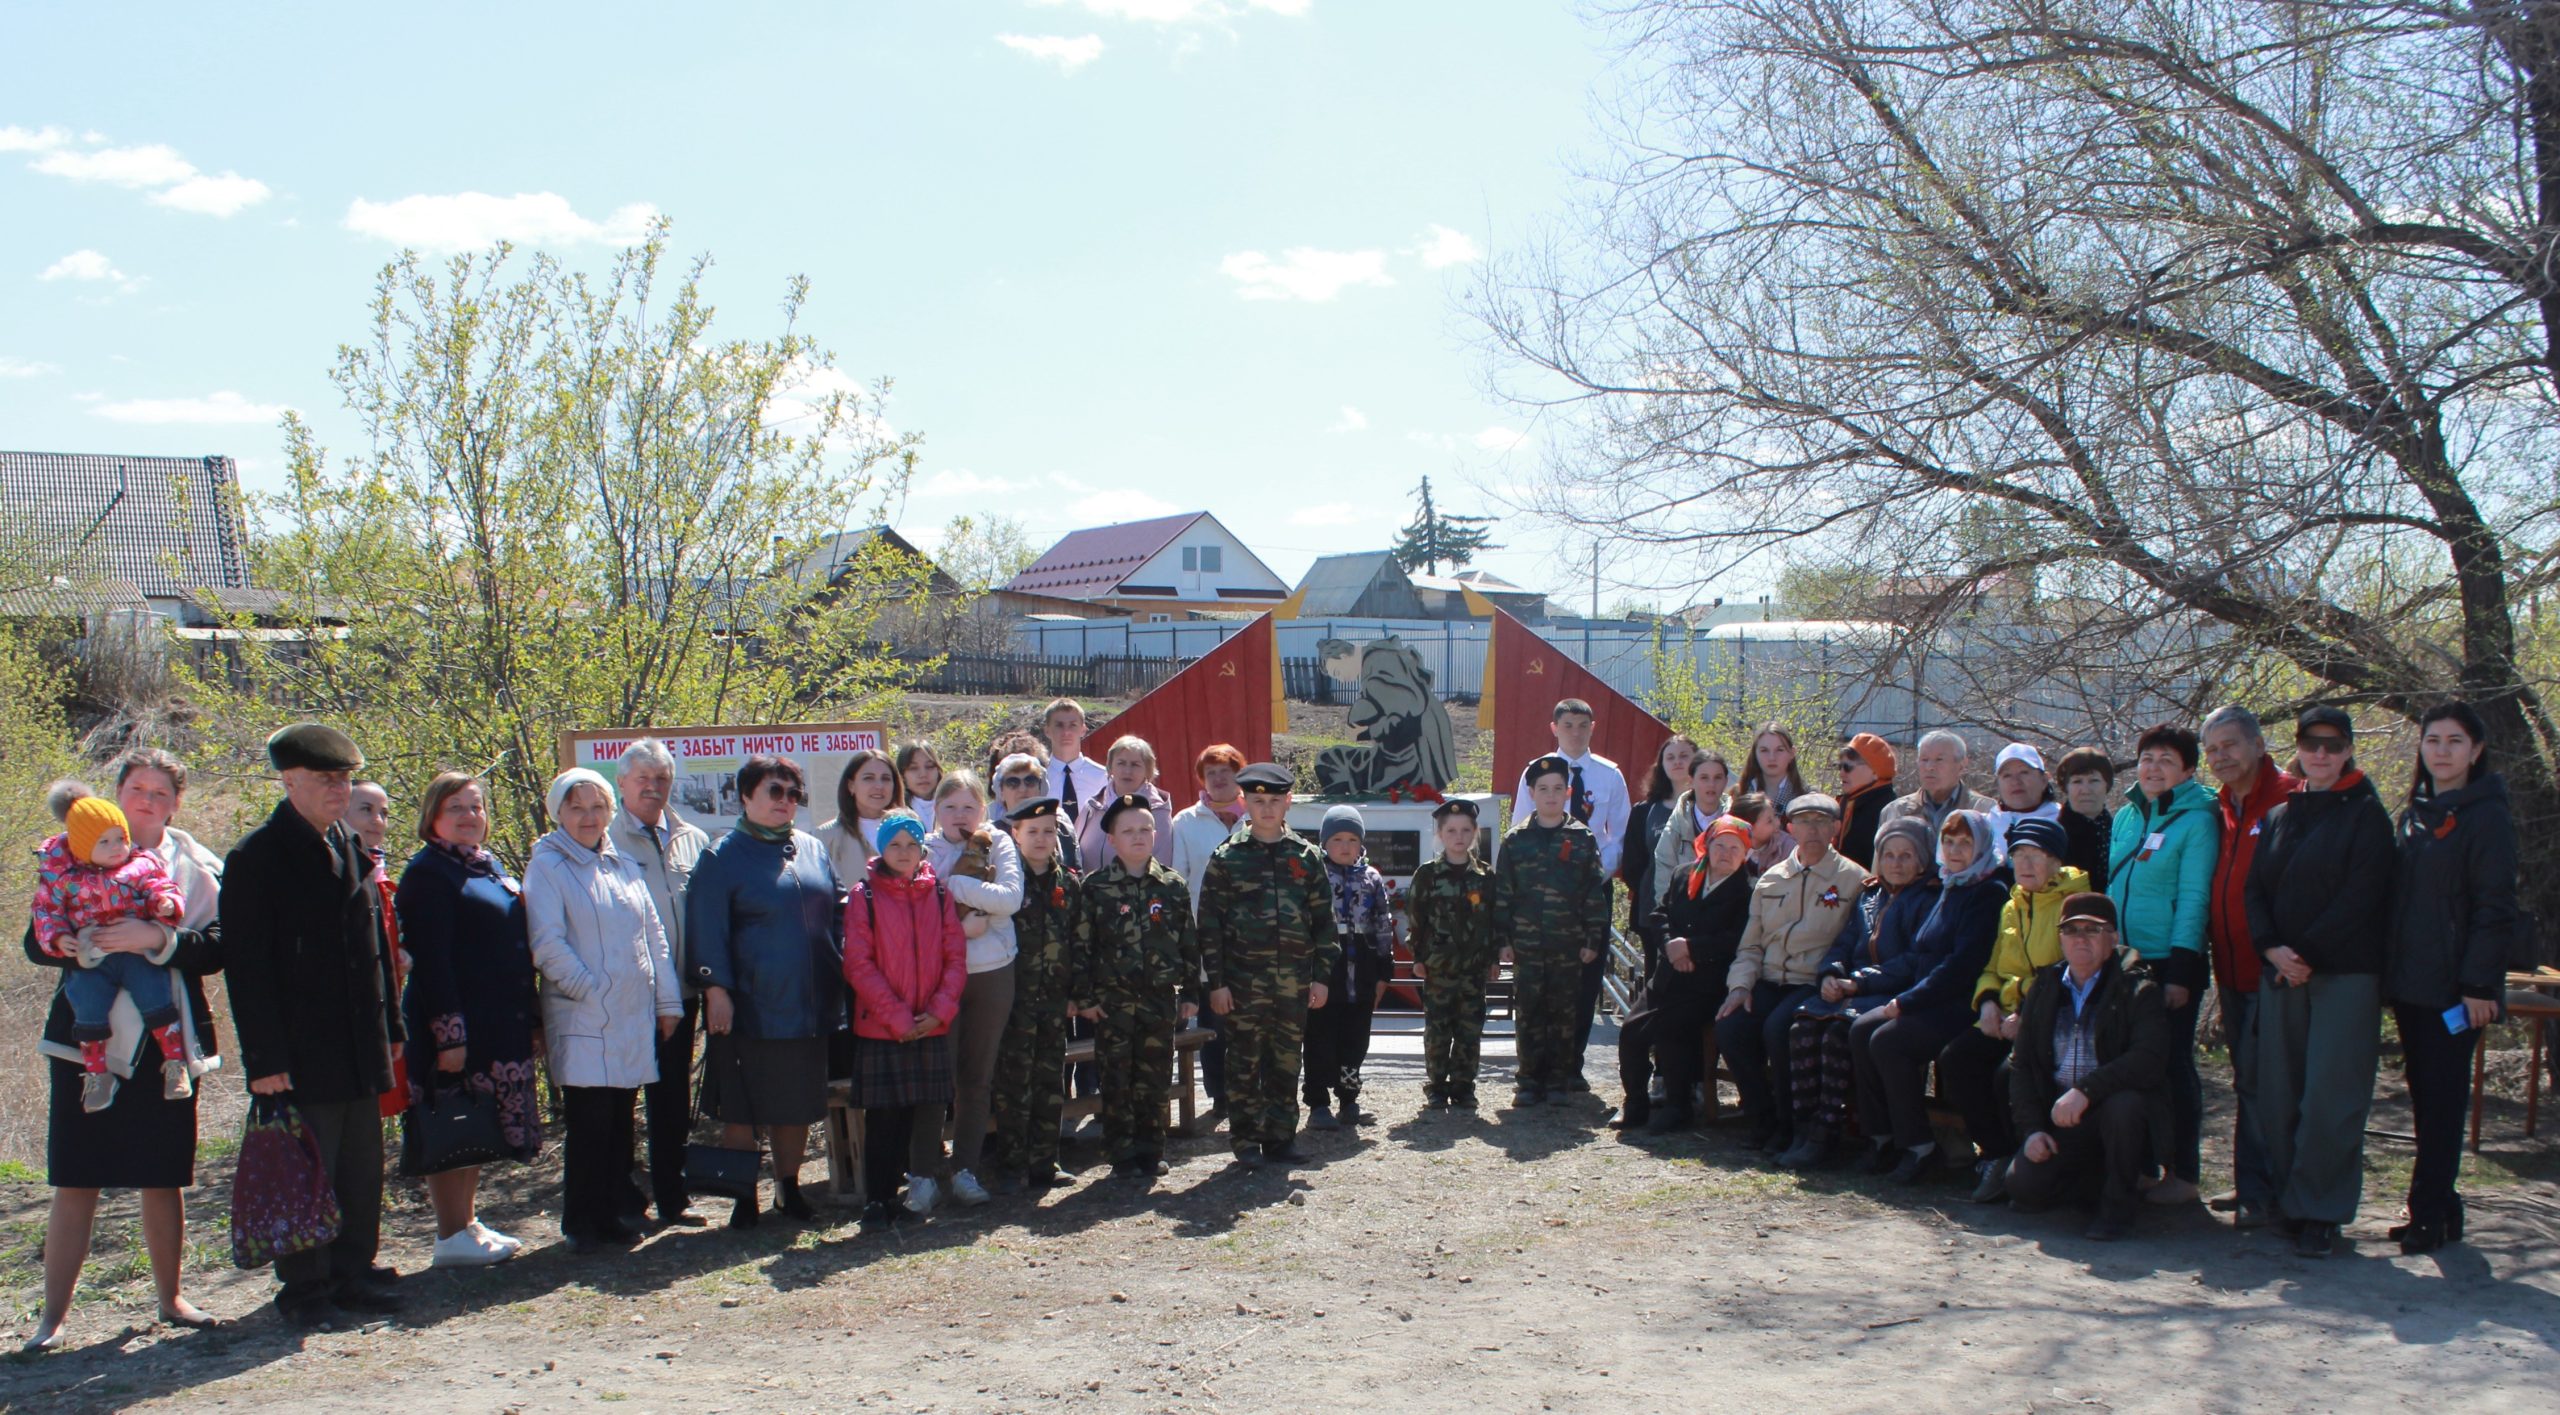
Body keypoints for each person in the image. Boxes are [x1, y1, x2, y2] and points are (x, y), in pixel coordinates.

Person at [22, 751, 226, 1351]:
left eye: (160, 793)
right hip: (84, 1040)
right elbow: (36, 944)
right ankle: (51, 1319)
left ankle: (171, 1298)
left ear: (176, 803)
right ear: (114, 793)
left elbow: (216, 947)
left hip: (166, 1043)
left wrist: (158, 938)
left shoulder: (193, 866)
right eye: (136, 788)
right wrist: (74, 943)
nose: (147, 801)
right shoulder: (63, 855)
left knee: (162, 1175)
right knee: (76, 1177)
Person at [221, 724, 405, 1329]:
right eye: (328, 779)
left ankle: (352, 1272)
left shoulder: (347, 846)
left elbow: (374, 951)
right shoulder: (258, 858)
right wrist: (264, 1061)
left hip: (357, 1042)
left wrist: (393, 1027)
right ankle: (305, 1290)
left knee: (358, 1165)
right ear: (290, 779)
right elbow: (247, 969)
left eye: (345, 779)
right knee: (308, 1167)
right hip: (301, 1049)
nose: (339, 789)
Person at [2244, 706, 2393, 1258]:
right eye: (2312, 745)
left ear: (2350, 749)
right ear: (2299, 749)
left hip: (2344, 976)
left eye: (2333, 745)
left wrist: (2302, 953)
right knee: (2281, 1092)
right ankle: (2291, 1199)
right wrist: (2272, 949)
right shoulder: (2282, 815)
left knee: (2332, 1097)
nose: (2322, 754)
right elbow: (2256, 891)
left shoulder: (2368, 817)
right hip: (2283, 974)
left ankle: (2322, 1212)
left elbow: (2362, 898)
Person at [524, 767, 680, 1253]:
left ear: (611, 812)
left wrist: (666, 1000)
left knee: (618, 1119)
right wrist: (591, 990)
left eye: (598, 807)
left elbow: (653, 936)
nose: (589, 817)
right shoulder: (548, 865)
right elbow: (547, 944)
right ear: (558, 812)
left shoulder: (622, 865)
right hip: (585, 1015)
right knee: (589, 1123)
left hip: (630, 1017)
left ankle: (615, 1211)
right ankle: (583, 1221)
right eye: (577, 807)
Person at [689, 754, 846, 1227]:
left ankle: (788, 1190)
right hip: (749, 1006)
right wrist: (715, 987)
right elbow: (705, 928)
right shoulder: (722, 856)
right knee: (745, 1105)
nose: (785, 801)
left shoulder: (812, 848)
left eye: (793, 793)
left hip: (808, 1000)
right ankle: (743, 1198)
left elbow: (838, 914)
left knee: (795, 1104)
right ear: (745, 796)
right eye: (774, 791)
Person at [2385, 701, 2518, 1255]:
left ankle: (2428, 1215)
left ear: (2476, 751)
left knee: (2442, 1103)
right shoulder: (2413, 813)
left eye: (2455, 741)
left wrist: (2480, 986)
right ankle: (2444, 1206)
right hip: (2412, 985)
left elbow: (2494, 908)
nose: (2442, 751)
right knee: (2423, 1098)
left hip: (2457, 991)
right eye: (2433, 740)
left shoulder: (2487, 815)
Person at [397, 771, 542, 1267]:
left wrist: (533, 1019)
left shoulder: (487, 866)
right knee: (452, 1119)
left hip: (500, 1020)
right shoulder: (427, 874)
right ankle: (448, 1234)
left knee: (476, 1123)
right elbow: (432, 961)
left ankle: (468, 1222)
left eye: (476, 807)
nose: (468, 816)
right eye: (455, 807)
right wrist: (448, 1034)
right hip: (457, 1026)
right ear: (433, 815)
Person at [1839, 811, 2009, 1182]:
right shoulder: (1950, 884)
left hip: (1958, 1003)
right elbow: (1921, 953)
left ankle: (1918, 1145)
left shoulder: (1987, 891)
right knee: (1859, 1030)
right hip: (1925, 994)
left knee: (1888, 1041)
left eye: (1965, 843)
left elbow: (1961, 965)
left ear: (1982, 846)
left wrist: (1908, 1001)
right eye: (1949, 842)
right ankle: (1881, 1137)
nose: (1956, 850)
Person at [2004, 893, 2172, 1243]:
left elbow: (2149, 1060)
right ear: (2060, 937)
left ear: (2112, 938)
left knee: (2125, 1106)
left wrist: (2086, 1091)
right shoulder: (2045, 986)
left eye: (2093, 931)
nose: (2080, 938)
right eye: (2071, 930)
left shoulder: (2138, 988)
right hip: (2062, 1117)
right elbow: (2022, 1065)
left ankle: (2117, 1211)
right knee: (2023, 1188)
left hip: (2112, 1114)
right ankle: (2091, 1183)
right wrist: (2032, 1130)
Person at [1937, 816, 2087, 1200]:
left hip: (2057, 1017)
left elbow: (2067, 973)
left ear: (2055, 861)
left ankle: (2028, 1160)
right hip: (2006, 1014)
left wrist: (2027, 1014)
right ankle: (1996, 1153)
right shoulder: (2012, 903)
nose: (2025, 864)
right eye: (2019, 854)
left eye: (2035, 855)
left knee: (2009, 1072)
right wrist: (1987, 1002)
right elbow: (1993, 966)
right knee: (1956, 1058)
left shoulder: (2074, 903)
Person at [1198, 763, 1339, 1165]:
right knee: (1243, 1062)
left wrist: (1322, 978)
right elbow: (1209, 924)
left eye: (1275, 800)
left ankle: (1280, 1138)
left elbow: (1324, 923)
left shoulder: (1306, 857)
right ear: (1244, 802)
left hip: (1293, 984)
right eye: (1258, 801)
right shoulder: (1228, 858)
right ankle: (1245, 1141)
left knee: (1285, 1062)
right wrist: (1217, 982)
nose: (1267, 808)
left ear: (1288, 802)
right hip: (1242, 985)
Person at [2102, 723, 2219, 1207]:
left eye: (2166, 760)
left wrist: (2181, 973)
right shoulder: (2128, 816)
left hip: (2170, 959)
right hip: (2124, 960)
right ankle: (2145, 1165)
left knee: (2172, 1066)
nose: (2152, 768)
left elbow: (2194, 899)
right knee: (2133, 1064)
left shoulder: (2198, 820)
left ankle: (2185, 1172)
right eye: (2147, 758)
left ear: (2189, 769)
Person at [1775, 817, 1937, 1166]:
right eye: (1889, 855)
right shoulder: (1870, 894)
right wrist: (1830, 975)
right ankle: (1804, 1128)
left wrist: (1859, 982)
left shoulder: (1928, 899)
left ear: (1922, 860)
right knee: (1801, 1029)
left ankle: (1828, 1132)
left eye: (1906, 856)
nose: (1896, 863)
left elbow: (1912, 961)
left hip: (1890, 991)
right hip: (1852, 988)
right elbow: (1844, 942)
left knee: (1837, 1035)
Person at [1715, 793, 1869, 1153]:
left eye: (1821, 822)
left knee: (1778, 1029)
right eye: (1805, 822)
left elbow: (1856, 942)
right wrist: (1740, 987)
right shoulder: (1773, 879)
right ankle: (1762, 1118)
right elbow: (1750, 945)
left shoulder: (1854, 879)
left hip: (1812, 983)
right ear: (1790, 827)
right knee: (1731, 1025)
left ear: (1836, 828)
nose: (1812, 830)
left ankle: (1792, 1126)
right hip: (1769, 979)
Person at [844, 809, 968, 1220]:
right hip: (884, 1028)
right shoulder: (863, 896)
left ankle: (912, 1193)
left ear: (922, 849)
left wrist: (939, 1011)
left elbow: (955, 958)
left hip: (929, 1023)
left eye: (912, 844)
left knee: (919, 1115)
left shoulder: (939, 894)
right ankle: (879, 1199)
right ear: (881, 848)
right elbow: (858, 964)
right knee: (884, 1120)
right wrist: (896, 1018)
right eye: (894, 844)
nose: (904, 851)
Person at [609, 737, 711, 1227]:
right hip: (628, 995)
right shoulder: (604, 837)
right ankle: (624, 1198)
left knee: (671, 1098)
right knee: (621, 1100)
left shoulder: (691, 837)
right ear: (622, 783)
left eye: (662, 779)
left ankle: (674, 1196)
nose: (652, 787)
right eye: (642, 779)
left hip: (682, 992)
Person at [1071, 794, 1201, 1178]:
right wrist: (1084, 997)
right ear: (1111, 839)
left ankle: (1151, 1148)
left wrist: (1192, 993)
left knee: (1155, 1076)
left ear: (1156, 833)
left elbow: (1187, 941)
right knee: (1117, 1076)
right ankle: (1121, 1152)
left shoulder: (1172, 885)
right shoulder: (1096, 889)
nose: (1139, 836)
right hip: (1113, 1002)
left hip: (1159, 999)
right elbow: (1082, 946)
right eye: (1128, 831)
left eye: (1145, 828)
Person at [2199, 706, 2295, 1229]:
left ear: (2259, 745)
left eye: (2230, 745)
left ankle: (2276, 1191)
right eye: (2212, 750)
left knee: (2270, 1081)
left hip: (2276, 969)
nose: (2221, 757)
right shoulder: (2222, 805)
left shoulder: (2291, 798)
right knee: (2246, 1079)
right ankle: (2251, 1185)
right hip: (2230, 967)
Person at [30, 792, 187, 1108]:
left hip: (134, 952)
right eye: (104, 842)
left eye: (120, 838)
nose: (117, 848)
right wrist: (59, 939)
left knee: (156, 998)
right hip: (92, 956)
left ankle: (175, 1063)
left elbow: (160, 887)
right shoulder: (64, 877)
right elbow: (47, 911)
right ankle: (97, 1075)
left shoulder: (141, 865)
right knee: (87, 1007)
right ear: (81, 847)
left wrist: (165, 905)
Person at [1507, 699, 1632, 1083]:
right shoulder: (1537, 772)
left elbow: (1621, 833)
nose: (1575, 731)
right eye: (1568, 725)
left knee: (1583, 980)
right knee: (1538, 984)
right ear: (1554, 728)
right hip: (1540, 895)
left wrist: (1594, 872)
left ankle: (1571, 1064)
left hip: (1591, 889)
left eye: (1582, 724)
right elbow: (1519, 827)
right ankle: (1536, 1066)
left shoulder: (1610, 775)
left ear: (1593, 727)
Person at [1622, 816, 1760, 1132]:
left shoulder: (1748, 892)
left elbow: (1737, 938)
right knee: (1631, 1031)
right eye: (1719, 845)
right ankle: (1635, 1103)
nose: (1725, 853)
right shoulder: (1684, 875)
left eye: (1734, 848)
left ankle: (1678, 1106)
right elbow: (1659, 914)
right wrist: (1671, 945)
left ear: (1746, 854)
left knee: (1673, 1030)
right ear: (1707, 846)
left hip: (1707, 983)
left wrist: (1692, 949)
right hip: (1669, 974)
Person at [924, 772, 1023, 1207]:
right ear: (935, 811)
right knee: (934, 1078)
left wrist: (956, 887)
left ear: (983, 810)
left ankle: (966, 1169)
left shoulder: (997, 842)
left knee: (977, 1078)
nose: (959, 816)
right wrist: (962, 924)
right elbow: (913, 910)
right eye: (950, 807)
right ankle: (924, 1172)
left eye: (968, 807)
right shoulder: (921, 847)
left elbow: (1011, 898)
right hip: (937, 976)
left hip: (992, 971)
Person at [1494, 754, 1611, 1105]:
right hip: (1527, 944)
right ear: (1531, 793)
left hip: (1568, 944)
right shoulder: (1515, 841)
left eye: (1557, 789)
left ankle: (1559, 1080)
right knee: (1529, 1011)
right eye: (1542, 789)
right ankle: (1529, 1080)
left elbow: (1594, 892)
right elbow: (1503, 894)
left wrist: (1593, 938)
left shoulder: (1582, 838)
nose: (1550, 795)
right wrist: (1502, 940)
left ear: (1568, 792)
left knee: (1564, 1012)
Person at [987, 798, 1083, 1192]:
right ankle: (1011, 1165)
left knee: (1050, 1080)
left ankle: (1045, 1160)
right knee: (1013, 1084)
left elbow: (1079, 942)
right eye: (1033, 831)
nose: (1042, 839)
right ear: (1015, 834)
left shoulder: (1069, 883)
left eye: (1049, 831)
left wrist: (1078, 992)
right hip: (1014, 1000)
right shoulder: (1006, 881)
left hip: (1054, 1000)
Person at [1168, 742, 1248, 1115]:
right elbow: (1179, 880)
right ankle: (1219, 1094)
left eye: (1225, 771)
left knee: (1248, 1019)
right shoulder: (1185, 822)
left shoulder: (1258, 815)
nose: (1218, 779)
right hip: (1207, 937)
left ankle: (1250, 1090)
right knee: (1214, 1019)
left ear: (1238, 774)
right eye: (1210, 772)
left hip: (1251, 938)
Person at [1306, 805, 1395, 1129]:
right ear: (1325, 842)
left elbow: (1382, 923)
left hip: (1363, 967)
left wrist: (1385, 968)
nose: (1345, 846)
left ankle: (1349, 1098)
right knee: (1319, 1038)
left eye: (1352, 839)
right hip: (1327, 967)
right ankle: (1317, 1102)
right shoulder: (1315, 875)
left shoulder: (1371, 877)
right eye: (1338, 839)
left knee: (1355, 1039)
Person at [1407, 797, 1496, 1112]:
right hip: (1438, 969)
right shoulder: (1428, 874)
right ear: (1440, 834)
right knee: (1438, 1030)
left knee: (1470, 1030)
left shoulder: (1486, 876)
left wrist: (1494, 958)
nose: (1459, 837)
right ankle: (1436, 1087)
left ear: (1474, 833)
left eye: (1465, 830)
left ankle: (1463, 1087)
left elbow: (1493, 921)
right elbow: (1416, 919)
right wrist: (1417, 957)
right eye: (1451, 831)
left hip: (1473, 969)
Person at [346, 780, 411, 1122]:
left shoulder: (378, 871)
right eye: (366, 810)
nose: (378, 821)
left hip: (385, 1011)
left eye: (384, 813)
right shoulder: (343, 871)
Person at [1622, 733, 1700, 931]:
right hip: (1653, 908)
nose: (1677, 762)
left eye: (1684, 756)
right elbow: (1632, 864)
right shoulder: (1644, 811)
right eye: (1670, 757)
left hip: (1699, 906)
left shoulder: (1710, 807)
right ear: (1662, 764)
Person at [1073, 735, 1177, 868]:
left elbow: (1162, 865)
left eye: (1135, 765)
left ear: (1148, 770)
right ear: (1110, 767)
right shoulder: (1092, 807)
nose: (1127, 771)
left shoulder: (1157, 811)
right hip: (1091, 887)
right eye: (1121, 763)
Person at [1650, 751, 1733, 911]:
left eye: (1718, 778)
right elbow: (1664, 871)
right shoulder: (1677, 823)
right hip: (1680, 914)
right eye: (1704, 778)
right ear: (1691, 781)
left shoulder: (1735, 825)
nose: (1711, 784)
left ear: (1726, 782)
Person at [1877, 730, 1994, 838]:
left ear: (1961, 765)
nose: (1929, 767)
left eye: (1939, 760)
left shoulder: (1984, 810)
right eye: (1924, 760)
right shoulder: (1896, 811)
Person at [817, 748, 903, 887]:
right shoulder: (826, 836)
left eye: (886, 779)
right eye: (868, 778)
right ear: (851, 786)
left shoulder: (909, 829)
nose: (879, 786)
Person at [995, 749, 1078, 869]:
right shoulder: (992, 835)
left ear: (1040, 787)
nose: (1022, 789)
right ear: (1001, 791)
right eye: (1013, 782)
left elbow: (1077, 873)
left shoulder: (1063, 827)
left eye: (1030, 781)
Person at [1832, 733, 1901, 868]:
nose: (1841, 773)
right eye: (1839, 766)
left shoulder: (1890, 809)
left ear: (1875, 771)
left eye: (1848, 767)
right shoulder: (1847, 802)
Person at [1983, 744, 2062, 861]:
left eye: (2024, 772)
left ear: (2044, 779)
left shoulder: (2064, 820)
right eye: (2007, 775)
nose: (2015, 781)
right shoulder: (1984, 827)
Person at [2053, 747, 2116, 889]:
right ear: (2066, 787)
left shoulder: (2120, 831)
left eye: (2094, 781)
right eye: (2077, 781)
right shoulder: (2055, 836)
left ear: (2107, 784)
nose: (2086, 790)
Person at [1040, 698, 1096, 828]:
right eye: (1059, 725)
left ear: (1083, 730)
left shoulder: (1103, 777)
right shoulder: (1037, 777)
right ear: (1047, 731)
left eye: (1073, 725)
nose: (1066, 732)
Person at [1738, 724, 1806, 811]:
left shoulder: (1806, 797)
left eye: (1779, 750)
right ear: (1755, 753)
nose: (1772, 758)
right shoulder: (1741, 794)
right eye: (1764, 750)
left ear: (1791, 753)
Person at [1731, 790, 1791, 871]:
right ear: (1749, 827)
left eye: (1775, 815)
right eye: (1769, 821)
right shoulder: (1729, 847)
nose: (1777, 822)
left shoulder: (1787, 848)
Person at [895, 742, 945, 835]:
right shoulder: (895, 810)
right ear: (902, 774)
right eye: (913, 768)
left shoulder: (953, 804)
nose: (923, 774)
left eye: (929, 766)